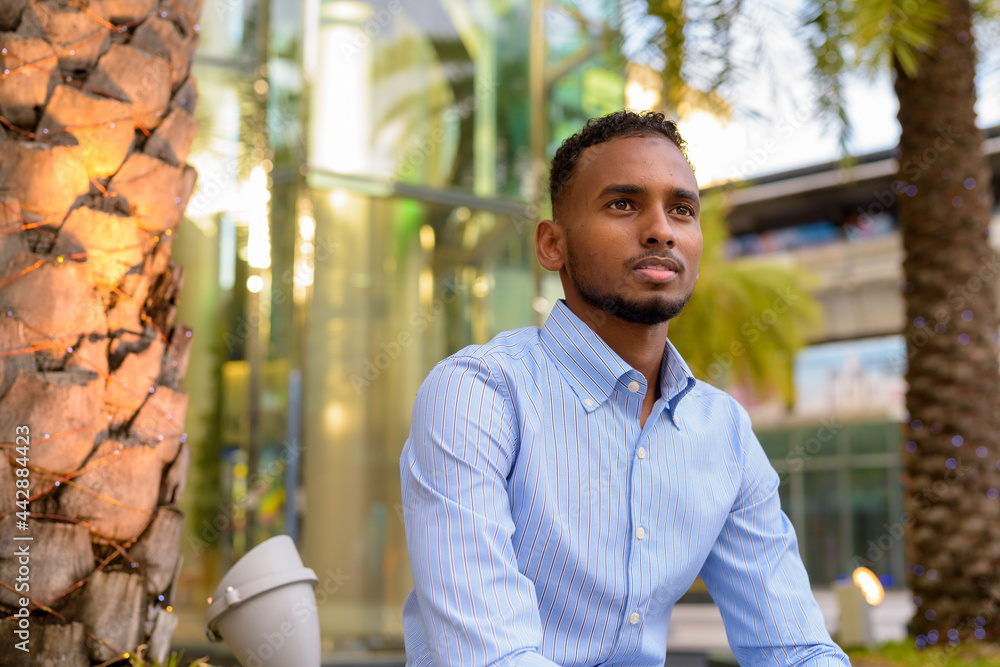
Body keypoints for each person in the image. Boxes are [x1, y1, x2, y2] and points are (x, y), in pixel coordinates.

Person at [399, 110, 850, 666]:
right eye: (623, 204)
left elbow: (796, 649)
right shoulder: (479, 395)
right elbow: (493, 659)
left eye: (681, 210)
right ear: (551, 246)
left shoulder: (723, 431)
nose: (661, 229)